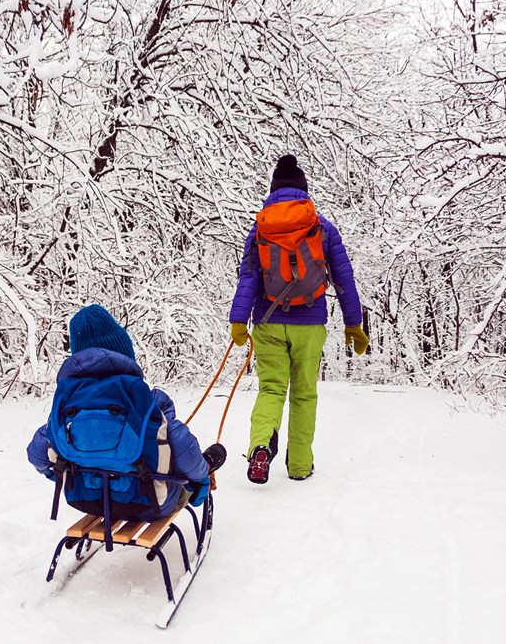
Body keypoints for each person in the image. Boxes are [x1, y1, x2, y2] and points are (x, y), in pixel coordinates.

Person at [229, 154, 367, 484]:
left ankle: (261, 446)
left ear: (273, 190)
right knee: (304, 394)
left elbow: (249, 278)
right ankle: (300, 466)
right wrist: (353, 323)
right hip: (310, 323)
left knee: (271, 390)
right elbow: (343, 279)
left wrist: (238, 319)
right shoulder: (323, 228)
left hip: (268, 321)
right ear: (304, 191)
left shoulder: (260, 228)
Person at [28, 304, 220, 521]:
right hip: (148, 503)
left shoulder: (67, 401)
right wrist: (201, 477)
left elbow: (37, 452)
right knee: (182, 474)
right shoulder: (145, 399)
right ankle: (210, 462)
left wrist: (62, 474)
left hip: (86, 499)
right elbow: (182, 447)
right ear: (125, 354)